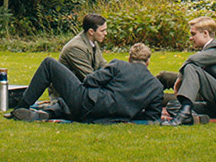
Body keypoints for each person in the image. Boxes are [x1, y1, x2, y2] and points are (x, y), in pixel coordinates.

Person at [10, 44, 164, 123]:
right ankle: (49, 113)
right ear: (148, 62)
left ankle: (21, 107)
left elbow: (90, 80)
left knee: (49, 64)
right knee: (76, 100)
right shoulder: (156, 87)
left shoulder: (118, 65)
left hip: (87, 105)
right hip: (108, 117)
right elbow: (151, 117)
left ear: (129, 58)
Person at [163, 16, 216, 125]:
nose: (191, 38)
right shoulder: (209, 50)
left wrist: (180, 79)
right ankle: (195, 118)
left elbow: (192, 60)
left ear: (205, 33)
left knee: (191, 67)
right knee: (173, 105)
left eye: (193, 34)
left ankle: (183, 116)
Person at [58, 13, 107, 80]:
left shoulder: (93, 42)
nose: (105, 33)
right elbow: (89, 76)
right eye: (102, 31)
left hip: (80, 84)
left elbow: (103, 65)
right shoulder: (75, 47)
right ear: (91, 32)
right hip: (68, 88)